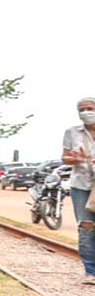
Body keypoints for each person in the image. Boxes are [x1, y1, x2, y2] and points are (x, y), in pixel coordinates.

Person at [62, 97, 95, 284]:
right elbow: (64, 157)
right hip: (81, 185)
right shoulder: (72, 132)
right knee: (87, 227)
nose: (85, 112)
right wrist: (74, 159)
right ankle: (91, 271)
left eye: (89, 108)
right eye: (81, 109)